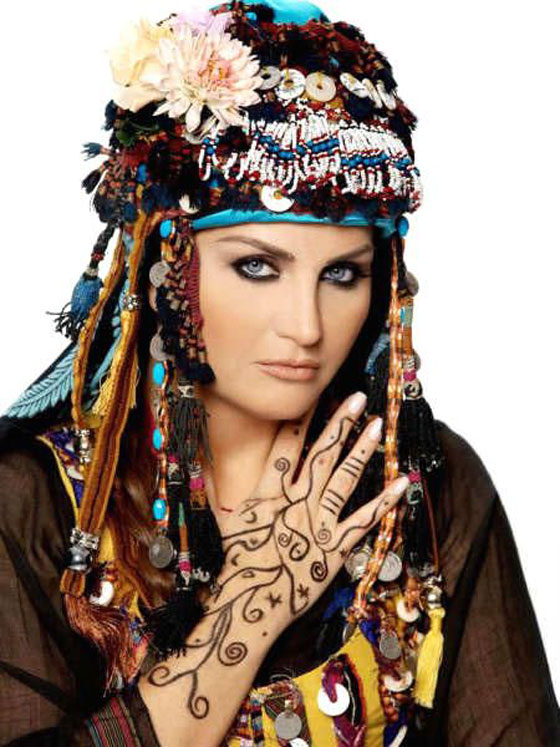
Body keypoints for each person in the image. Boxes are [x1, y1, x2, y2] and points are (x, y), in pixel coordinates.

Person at [0, 1, 558, 745]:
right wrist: (250, 611)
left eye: (343, 274)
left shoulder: (424, 487)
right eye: (258, 267)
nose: (307, 326)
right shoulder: (38, 500)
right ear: (166, 266)